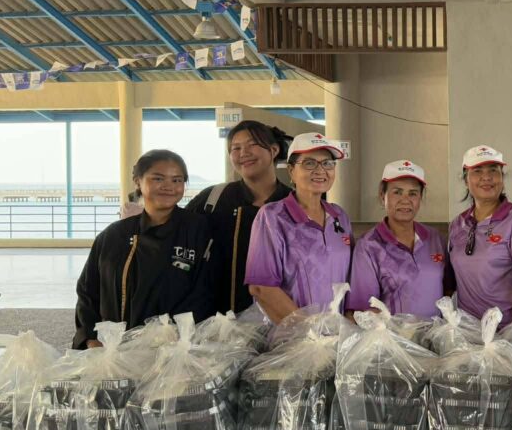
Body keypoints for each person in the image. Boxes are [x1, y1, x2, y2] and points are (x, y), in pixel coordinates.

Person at [74, 150, 213, 349]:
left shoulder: (199, 230)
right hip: (111, 350)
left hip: (173, 349)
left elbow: (205, 292)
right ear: (138, 181)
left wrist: (172, 336)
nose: (168, 186)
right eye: (158, 178)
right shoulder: (113, 235)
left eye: (177, 180)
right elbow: (88, 292)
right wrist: (89, 338)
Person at [245, 132, 353, 326]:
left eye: (327, 163)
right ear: (291, 171)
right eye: (310, 163)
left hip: (337, 335)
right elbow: (261, 288)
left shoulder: (339, 216)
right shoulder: (273, 217)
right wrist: (309, 332)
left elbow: (350, 279)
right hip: (293, 337)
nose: (320, 170)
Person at [188, 121, 292, 315]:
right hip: (218, 322)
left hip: (280, 320)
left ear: (274, 150)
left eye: (252, 144)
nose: (243, 153)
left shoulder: (294, 203)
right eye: (236, 148)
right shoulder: (213, 199)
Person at [447, 145, 512, 327]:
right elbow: (451, 284)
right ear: (466, 179)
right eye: (477, 171)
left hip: (504, 331)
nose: (487, 177)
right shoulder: (457, 225)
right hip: (466, 331)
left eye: (493, 170)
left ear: (502, 178)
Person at [348, 160, 447, 319]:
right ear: (383, 196)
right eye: (397, 192)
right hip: (391, 334)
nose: (405, 200)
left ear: (420, 198)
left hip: (435, 334)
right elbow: (364, 310)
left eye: (413, 193)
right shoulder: (369, 245)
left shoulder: (435, 238)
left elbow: (448, 289)